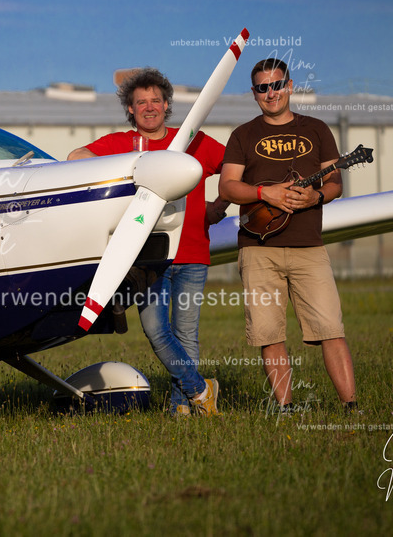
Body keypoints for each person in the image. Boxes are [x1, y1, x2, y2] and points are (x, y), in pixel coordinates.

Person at [68, 67, 224, 417]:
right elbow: (75, 158)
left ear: (167, 104)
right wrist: (127, 167)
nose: (149, 107)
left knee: (186, 334)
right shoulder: (123, 144)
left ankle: (181, 407)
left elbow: (234, 168)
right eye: (141, 102)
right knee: (156, 330)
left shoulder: (195, 141)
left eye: (156, 100)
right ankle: (202, 389)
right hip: (148, 258)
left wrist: (220, 204)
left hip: (193, 252)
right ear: (130, 109)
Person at [219, 58, 358, 413]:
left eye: (277, 84)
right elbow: (229, 186)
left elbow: (335, 181)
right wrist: (265, 194)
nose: (271, 92)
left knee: (330, 327)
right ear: (254, 94)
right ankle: (286, 408)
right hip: (257, 248)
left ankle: (351, 406)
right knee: (269, 334)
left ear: (290, 86)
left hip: (308, 246)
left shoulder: (316, 129)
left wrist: (316, 195)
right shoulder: (242, 135)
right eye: (263, 87)